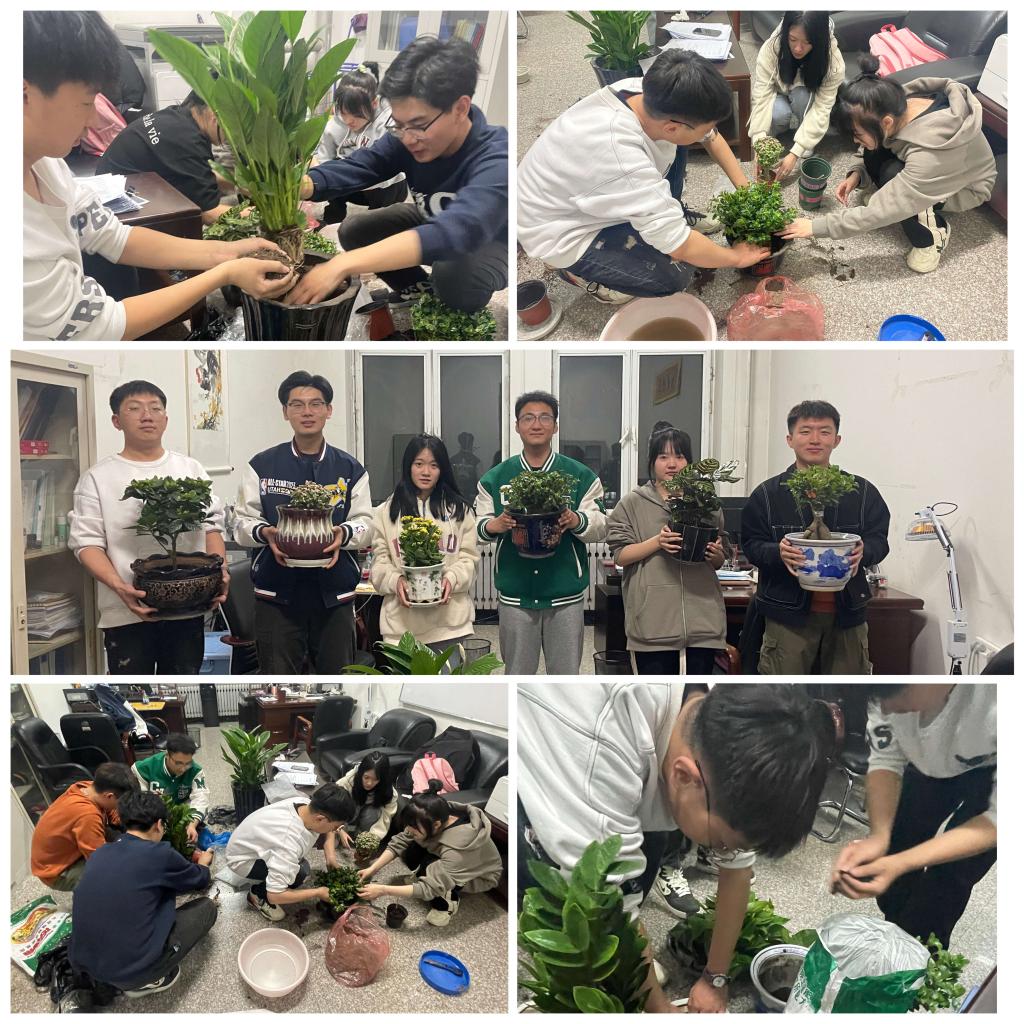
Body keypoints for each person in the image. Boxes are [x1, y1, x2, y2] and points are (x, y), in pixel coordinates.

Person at [518, 682, 838, 1013]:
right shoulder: (598, 748)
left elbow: (738, 867)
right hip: (541, 768)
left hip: (628, 769)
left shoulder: (738, 731)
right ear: (684, 776)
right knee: (565, 925)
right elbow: (610, 906)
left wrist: (715, 978)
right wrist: (661, 1009)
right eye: (721, 845)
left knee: (645, 861)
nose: (725, 853)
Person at [23, 11, 295, 341]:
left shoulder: (48, 166)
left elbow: (114, 236)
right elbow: (103, 326)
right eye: (86, 102)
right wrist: (224, 273)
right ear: (23, 94)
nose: (96, 120)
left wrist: (229, 251)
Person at [518, 49, 770, 304]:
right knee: (675, 275)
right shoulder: (622, 157)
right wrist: (737, 257)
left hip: (586, 190)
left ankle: (666, 216)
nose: (710, 131)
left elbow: (710, 137)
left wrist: (745, 191)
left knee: (679, 144)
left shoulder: (647, 93)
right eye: (707, 126)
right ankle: (577, 273)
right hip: (560, 229)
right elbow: (680, 246)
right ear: (672, 126)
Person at [288, 36, 507, 314]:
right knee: (355, 230)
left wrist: (343, 263)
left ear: (460, 108)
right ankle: (419, 290)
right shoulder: (406, 137)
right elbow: (363, 165)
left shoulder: (496, 157)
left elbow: (458, 231)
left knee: (453, 274)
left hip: (489, 239)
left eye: (418, 125)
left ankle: (455, 308)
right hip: (432, 217)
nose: (408, 138)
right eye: (399, 125)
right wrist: (303, 184)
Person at [778, 54, 997, 273]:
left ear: (887, 122)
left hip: (965, 187)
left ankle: (933, 237)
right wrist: (858, 172)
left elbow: (881, 211)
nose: (855, 141)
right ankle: (893, 190)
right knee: (873, 147)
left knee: (894, 184)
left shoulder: (931, 154)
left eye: (857, 134)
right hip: (931, 165)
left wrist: (815, 227)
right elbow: (872, 140)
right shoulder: (892, 107)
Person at [68, 380, 228, 674]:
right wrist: (120, 586)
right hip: (126, 610)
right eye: (134, 409)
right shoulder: (97, 478)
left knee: (184, 681)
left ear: (165, 419)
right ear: (116, 421)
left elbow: (212, 527)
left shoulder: (190, 470)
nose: (147, 416)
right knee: (130, 686)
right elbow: (86, 543)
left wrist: (221, 571)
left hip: (188, 608)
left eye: (155, 409)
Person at [831, 683, 996, 950]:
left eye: (901, 697)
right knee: (900, 839)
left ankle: (921, 952)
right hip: (932, 756)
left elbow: (997, 822)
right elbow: (885, 760)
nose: (888, 708)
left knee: (951, 876)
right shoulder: (888, 691)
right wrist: (879, 837)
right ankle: (893, 934)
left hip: (993, 764)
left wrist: (902, 863)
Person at [234, 371, 372, 674]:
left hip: (334, 594)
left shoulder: (350, 469)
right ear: (285, 412)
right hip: (276, 595)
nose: (307, 412)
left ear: (328, 410)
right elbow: (241, 523)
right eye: (297, 404)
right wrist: (267, 533)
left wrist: (343, 534)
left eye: (315, 404)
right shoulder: (262, 465)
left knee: (338, 679)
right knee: (279, 680)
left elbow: (365, 523)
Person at [740, 400, 890, 674]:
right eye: (805, 431)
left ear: (837, 439)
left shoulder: (860, 492)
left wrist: (864, 551)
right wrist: (778, 552)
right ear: (790, 439)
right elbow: (750, 544)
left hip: (847, 614)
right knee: (783, 693)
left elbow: (879, 539)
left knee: (845, 692)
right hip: (787, 616)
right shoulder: (768, 494)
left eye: (824, 431)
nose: (815, 439)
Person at [476, 391, 607, 674]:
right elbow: (474, 528)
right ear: (517, 426)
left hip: (565, 594)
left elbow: (601, 525)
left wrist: (575, 519)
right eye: (528, 418)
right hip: (516, 594)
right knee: (517, 675)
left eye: (545, 417)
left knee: (564, 678)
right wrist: (493, 525)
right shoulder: (496, 478)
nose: (536, 424)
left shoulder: (580, 476)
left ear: (555, 426)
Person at [69, 790, 216, 997]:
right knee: (207, 909)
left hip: (86, 964)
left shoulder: (100, 852)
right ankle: (148, 980)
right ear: (158, 824)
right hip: (131, 972)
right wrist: (203, 864)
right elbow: (200, 879)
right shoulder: (160, 854)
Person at [607, 425, 726, 675]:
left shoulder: (705, 502)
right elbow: (621, 555)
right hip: (652, 625)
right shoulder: (632, 503)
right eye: (663, 456)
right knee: (656, 694)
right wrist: (657, 542)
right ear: (652, 462)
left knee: (695, 694)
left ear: (689, 462)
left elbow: (718, 556)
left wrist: (717, 556)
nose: (672, 464)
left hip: (703, 621)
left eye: (679, 456)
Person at [370, 434, 479, 663]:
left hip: (449, 625)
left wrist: (451, 579)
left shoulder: (460, 511)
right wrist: (395, 581)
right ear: (408, 466)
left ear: (443, 469)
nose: (426, 472)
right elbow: (379, 563)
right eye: (419, 464)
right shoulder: (386, 512)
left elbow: (469, 560)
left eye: (434, 465)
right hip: (401, 627)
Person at [357, 792, 503, 927]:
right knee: (412, 850)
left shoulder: (457, 850)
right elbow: (400, 841)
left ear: (437, 825)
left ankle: (447, 903)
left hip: (478, 875)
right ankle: (425, 873)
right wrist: (372, 869)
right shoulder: (430, 817)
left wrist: (382, 890)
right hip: (447, 855)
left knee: (432, 870)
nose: (409, 829)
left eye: (414, 827)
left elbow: (429, 888)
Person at [97, 90, 233, 225]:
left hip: (115, 185)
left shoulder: (178, 118)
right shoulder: (187, 141)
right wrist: (248, 211)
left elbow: (199, 174)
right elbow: (209, 214)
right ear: (215, 115)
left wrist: (237, 185)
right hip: (120, 211)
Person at [225, 782, 355, 922]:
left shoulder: (306, 804)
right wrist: (318, 892)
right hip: (242, 859)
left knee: (297, 866)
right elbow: (275, 895)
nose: (335, 831)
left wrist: (330, 858)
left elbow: (328, 828)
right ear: (320, 819)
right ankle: (257, 895)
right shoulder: (288, 841)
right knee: (300, 873)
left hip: (248, 841)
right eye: (336, 827)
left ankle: (274, 871)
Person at [748, 12, 845, 181]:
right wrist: (759, 141)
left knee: (802, 96)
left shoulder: (834, 63)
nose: (798, 48)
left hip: (807, 95)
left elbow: (822, 108)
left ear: (819, 40)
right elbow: (761, 95)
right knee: (778, 114)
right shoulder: (771, 48)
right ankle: (781, 127)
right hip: (780, 92)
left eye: (807, 42)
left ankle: (803, 133)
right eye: (792, 39)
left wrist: (796, 152)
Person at [313, 62, 408, 226]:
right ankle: (332, 218)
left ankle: (377, 222)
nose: (349, 120)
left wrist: (358, 177)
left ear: (374, 104)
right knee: (333, 170)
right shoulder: (334, 126)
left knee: (376, 220)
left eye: (357, 114)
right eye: (344, 113)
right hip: (355, 184)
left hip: (386, 184)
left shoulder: (388, 123)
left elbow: (387, 167)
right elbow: (324, 160)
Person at [31, 762, 137, 892]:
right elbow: (100, 860)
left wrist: (128, 822)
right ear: (109, 796)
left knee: (121, 843)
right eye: (120, 803)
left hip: (67, 849)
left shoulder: (88, 787)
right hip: (56, 871)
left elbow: (111, 812)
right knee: (115, 875)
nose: (119, 807)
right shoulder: (88, 816)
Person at [131, 733, 210, 847]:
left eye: (187, 763)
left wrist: (192, 825)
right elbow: (140, 803)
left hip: (182, 817)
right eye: (178, 763)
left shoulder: (195, 770)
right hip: (154, 819)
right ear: (167, 754)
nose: (183, 768)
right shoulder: (143, 769)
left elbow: (201, 798)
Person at [336, 751, 399, 848]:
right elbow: (333, 805)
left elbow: (385, 818)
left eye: (375, 779)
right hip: (348, 811)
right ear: (361, 773)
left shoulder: (389, 792)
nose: (369, 783)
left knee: (374, 812)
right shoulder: (348, 781)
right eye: (366, 777)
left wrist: (370, 840)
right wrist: (339, 829)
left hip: (368, 815)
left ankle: (360, 839)